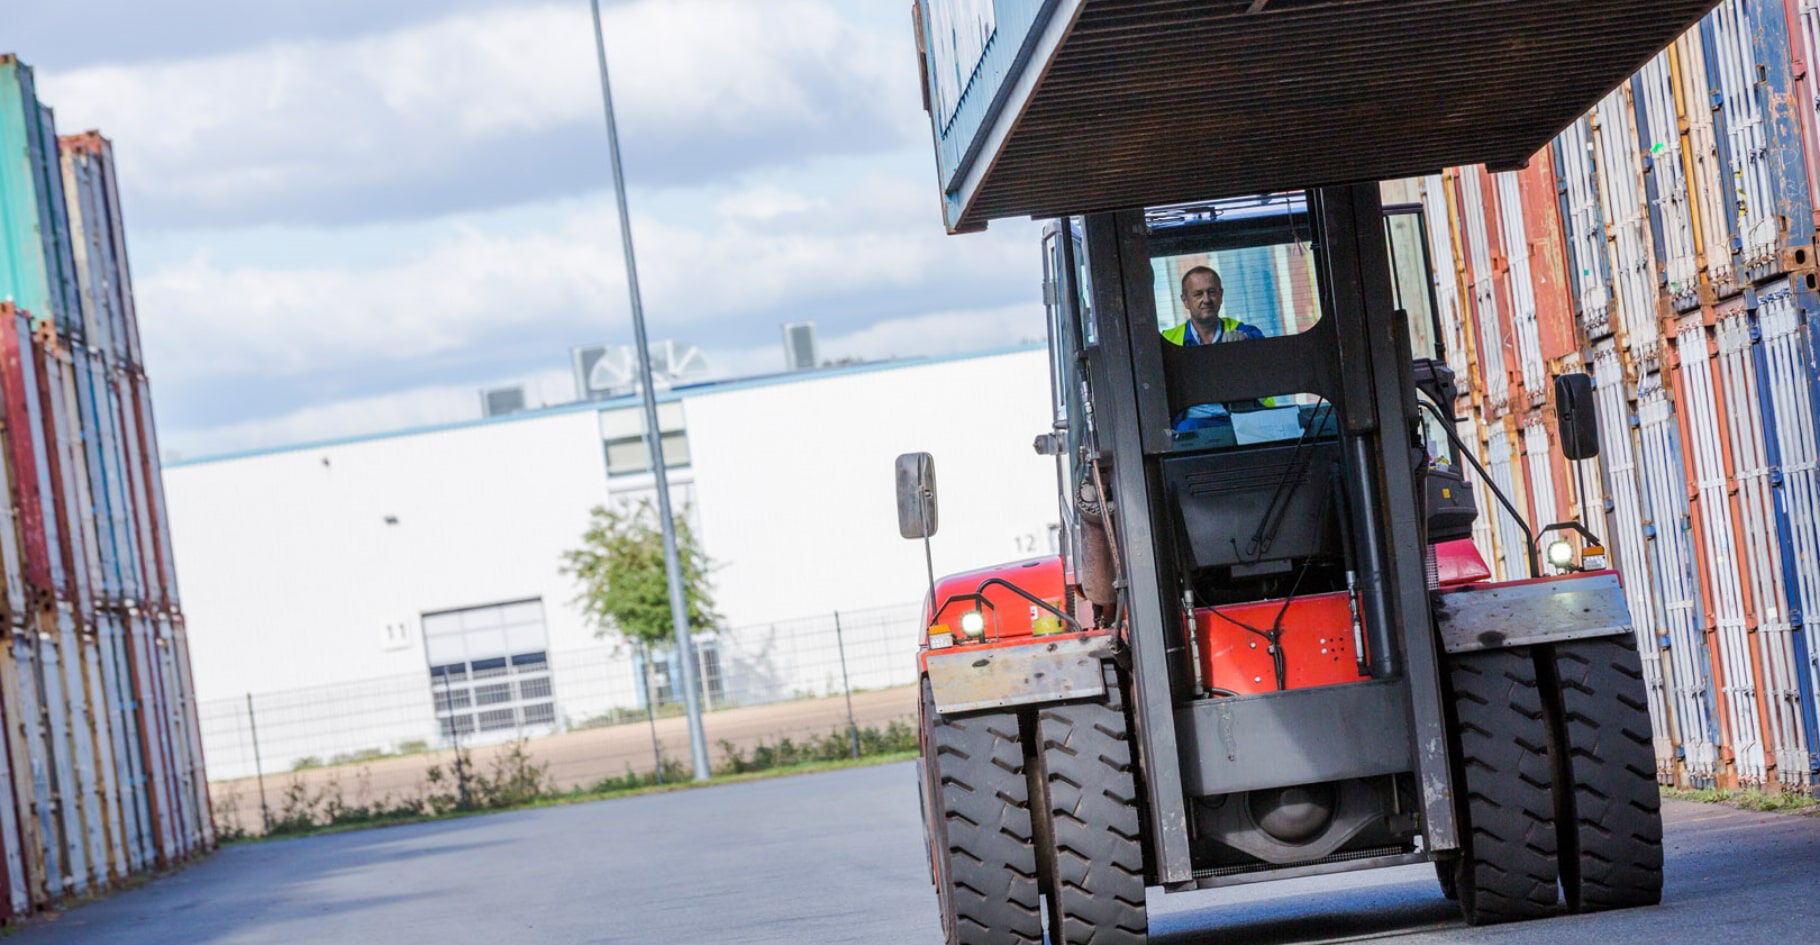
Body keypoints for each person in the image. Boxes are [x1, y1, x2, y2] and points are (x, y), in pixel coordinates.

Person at [1162, 266, 1266, 431]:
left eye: (1212, 292)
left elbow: (1264, 350)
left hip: (1245, 421)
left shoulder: (1240, 330)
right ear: (1185, 300)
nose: (1206, 299)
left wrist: (1245, 342)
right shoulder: (1168, 340)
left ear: (1221, 295)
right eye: (1198, 294)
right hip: (1197, 427)